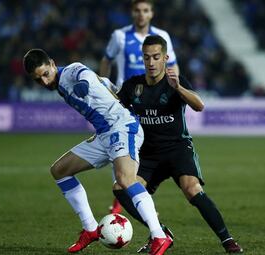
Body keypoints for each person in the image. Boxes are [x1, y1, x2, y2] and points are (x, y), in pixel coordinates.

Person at [23, 48, 173, 255]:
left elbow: (83, 73)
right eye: (38, 80)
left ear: (52, 63)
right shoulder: (58, 85)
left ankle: (159, 236)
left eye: (45, 74)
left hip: (122, 127)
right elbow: (104, 82)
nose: (44, 82)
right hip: (104, 135)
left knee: (125, 179)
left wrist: (84, 85)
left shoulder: (70, 71)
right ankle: (91, 229)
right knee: (59, 170)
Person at [115, 35, 244, 253]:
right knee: (122, 188)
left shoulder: (176, 82)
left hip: (177, 149)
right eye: (147, 58)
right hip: (147, 154)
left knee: (192, 188)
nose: (151, 62)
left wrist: (179, 89)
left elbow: (199, 105)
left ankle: (227, 239)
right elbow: (116, 110)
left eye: (156, 57)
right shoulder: (132, 86)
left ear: (165, 58)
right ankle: (160, 232)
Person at [100, 0, 179, 214]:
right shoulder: (120, 36)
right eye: (137, 10)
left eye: (145, 10)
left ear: (152, 13)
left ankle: (137, 194)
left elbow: (172, 66)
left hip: (152, 100)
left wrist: (175, 92)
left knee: (149, 148)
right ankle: (120, 200)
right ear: (132, 13)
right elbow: (106, 61)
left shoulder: (162, 37)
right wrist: (104, 88)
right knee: (118, 147)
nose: (141, 14)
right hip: (126, 100)